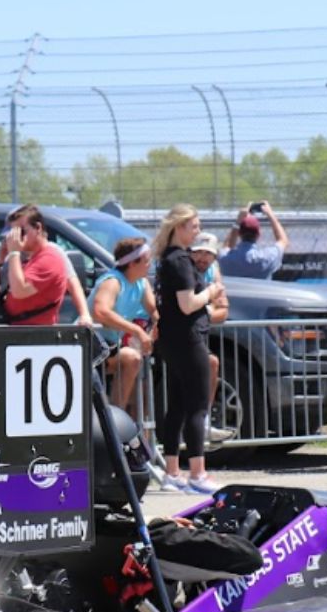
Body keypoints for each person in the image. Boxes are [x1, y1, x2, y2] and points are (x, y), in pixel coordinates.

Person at [152, 204, 225, 494]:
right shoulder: (180, 260)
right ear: (179, 227)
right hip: (188, 338)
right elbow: (187, 304)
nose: (197, 231)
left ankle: (172, 470)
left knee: (179, 404)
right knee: (197, 405)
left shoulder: (166, 258)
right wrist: (210, 293)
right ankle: (197, 473)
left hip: (172, 339)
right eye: (194, 226)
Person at [89, 236, 156, 413]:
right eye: (147, 260)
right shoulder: (113, 281)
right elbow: (100, 312)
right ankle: (110, 420)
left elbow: (154, 310)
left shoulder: (142, 283)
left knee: (134, 362)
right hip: (90, 344)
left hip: (110, 346)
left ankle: (116, 420)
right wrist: (137, 331)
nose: (150, 264)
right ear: (133, 263)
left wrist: (155, 328)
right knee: (131, 358)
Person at [189, 233, 236, 445]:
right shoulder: (183, 270)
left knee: (212, 363)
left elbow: (223, 311)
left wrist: (202, 312)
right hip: (177, 334)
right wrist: (207, 307)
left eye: (208, 254)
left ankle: (203, 421)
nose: (202, 258)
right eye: (198, 252)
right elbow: (185, 308)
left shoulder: (213, 272)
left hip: (197, 334)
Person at [0, 204, 70, 326]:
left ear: (38, 227)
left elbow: (19, 291)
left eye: (21, 232)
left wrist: (14, 252)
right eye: (13, 233)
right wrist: (1, 259)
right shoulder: (27, 259)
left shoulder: (50, 259)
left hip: (36, 334)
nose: (16, 238)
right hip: (17, 329)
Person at [218, 200, 289, 279]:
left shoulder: (226, 259)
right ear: (258, 235)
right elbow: (283, 241)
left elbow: (226, 247)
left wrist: (238, 221)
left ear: (239, 234)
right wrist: (270, 215)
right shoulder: (267, 257)